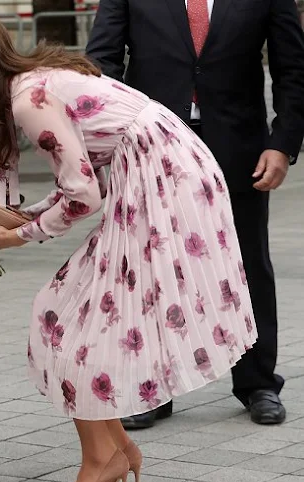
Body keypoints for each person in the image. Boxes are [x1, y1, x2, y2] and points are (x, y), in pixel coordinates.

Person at [0, 5, 256, 482]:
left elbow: (82, 196)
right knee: (70, 316)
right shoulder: (28, 87)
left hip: (165, 182)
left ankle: (104, 458)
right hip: (161, 174)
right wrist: (6, 219)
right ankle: (112, 450)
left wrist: (19, 236)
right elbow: (76, 185)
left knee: (69, 319)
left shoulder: (30, 98)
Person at [85, 0, 304, 429]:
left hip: (239, 147)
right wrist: (108, 135)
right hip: (151, 146)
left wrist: (283, 143)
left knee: (247, 264)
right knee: (152, 269)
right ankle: (153, 387)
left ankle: (258, 382)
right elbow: (102, 61)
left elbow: (293, 69)